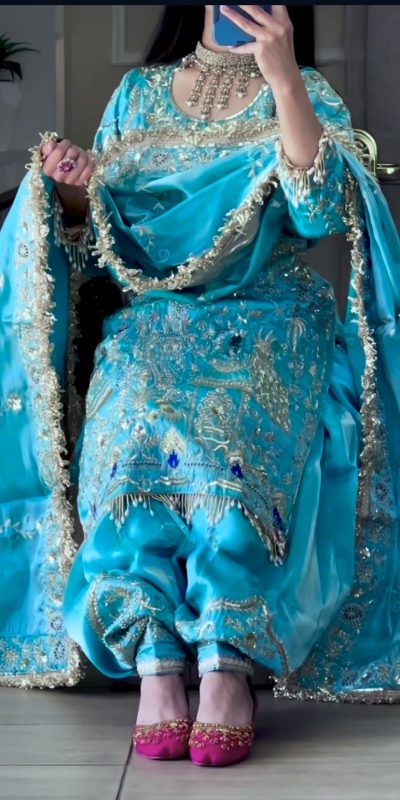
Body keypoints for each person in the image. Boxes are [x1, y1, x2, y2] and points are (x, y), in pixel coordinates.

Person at [0, 3, 399, 767]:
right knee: (134, 411)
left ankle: (226, 661)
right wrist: (76, 186)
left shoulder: (305, 88)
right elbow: (107, 235)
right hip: (155, 318)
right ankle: (155, 657)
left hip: (270, 315)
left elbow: (319, 211)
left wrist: (284, 79)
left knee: (229, 425)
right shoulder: (139, 94)